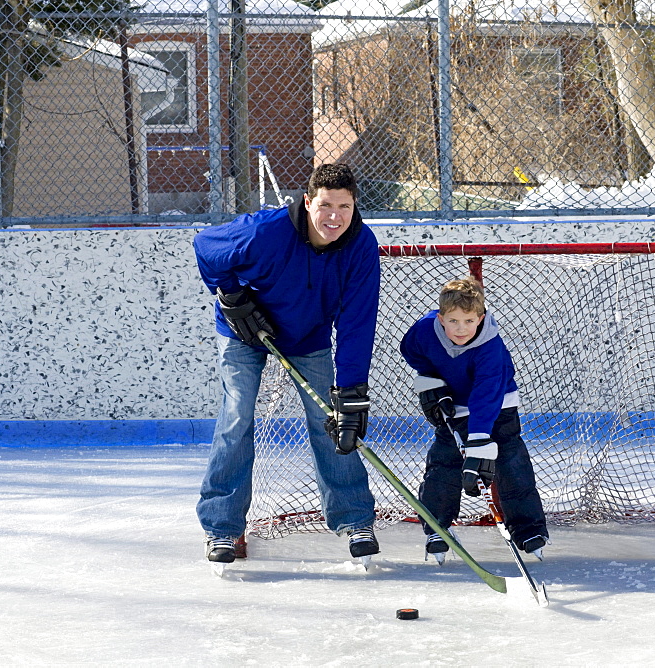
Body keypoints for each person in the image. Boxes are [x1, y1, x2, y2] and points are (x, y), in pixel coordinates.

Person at [193, 163, 380, 565]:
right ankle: (222, 528)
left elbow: (357, 320)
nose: (335, 217)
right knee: (237, 415)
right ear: (308, 202)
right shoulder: (265, 231)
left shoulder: (361, 245)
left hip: (308, 338)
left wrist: (351, 390)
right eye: (326, 205)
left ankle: (354, 520)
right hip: (245, 334)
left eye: (344, 207)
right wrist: (231, 296)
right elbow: (206, 245)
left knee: (333, 420)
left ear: (354, 206)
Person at [399, 276, 549, 561]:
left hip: (498, 406)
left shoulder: (490, 347)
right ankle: (436, 527)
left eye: (469, 321)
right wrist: (432, 380)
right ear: (441, 318)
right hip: (454, 406)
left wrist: (479, 439)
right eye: (453, 321)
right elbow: (411, 351)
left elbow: (486, 393)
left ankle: (528, 530)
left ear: (480, 317)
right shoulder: (423, 331)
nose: (461, 329)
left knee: (509, 462)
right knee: (444, 463)